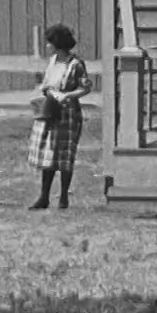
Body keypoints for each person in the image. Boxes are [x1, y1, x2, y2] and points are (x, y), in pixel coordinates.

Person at [27, 22, 92, 210]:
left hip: (68, 114)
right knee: (48, 154)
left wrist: (67, 95)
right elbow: (46, 83)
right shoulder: (53, 61)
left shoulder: (76, 64)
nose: (48, 46)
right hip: (51, 110)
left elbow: (85, 88)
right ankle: (44, 196)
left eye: (50, 42)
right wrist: (48, 91)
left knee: (64, 155)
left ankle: (64, 196)